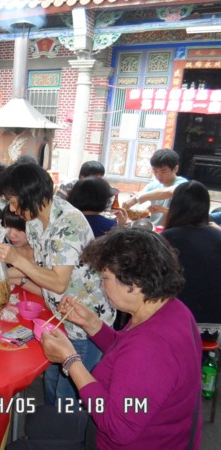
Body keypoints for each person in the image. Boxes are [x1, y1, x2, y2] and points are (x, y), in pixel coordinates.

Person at [39, 228, 201, 450]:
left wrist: (70, 361)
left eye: (105, 278)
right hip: (141, 428)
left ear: (134, 283)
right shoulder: (171, 309)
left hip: (126, 441)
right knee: (36, 422)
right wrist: (93, 324)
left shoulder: (151, 347)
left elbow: (118, 428)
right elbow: (125, 353)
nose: (101, 285)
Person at [0, 162, 115, 406]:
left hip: (84, 323)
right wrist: (1, 274)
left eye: (14, 201)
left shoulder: (69, 223)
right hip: (58, 316)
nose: (13, 208)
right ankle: (53, 425)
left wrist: (15, 260)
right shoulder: (35, 220)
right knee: (51, 378)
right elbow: (38, 266)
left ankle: (66, 428)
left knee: (68, 393)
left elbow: (58, 282)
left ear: (31, 194)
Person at [162, 181, 221, 325]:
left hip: (177, 320)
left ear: (175, 206)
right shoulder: (218, 236)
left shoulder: (165, 238)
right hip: (215, 319)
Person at [122, 149, 187, 226]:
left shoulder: (183, 184)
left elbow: (169, 192)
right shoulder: (154, 184)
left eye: (163, 171)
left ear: (175, 169)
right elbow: (139, 196)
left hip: (174, 229)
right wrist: (130, 204)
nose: (158, 175)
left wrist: (137, 199)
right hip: (155, 229)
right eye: (155, 171)